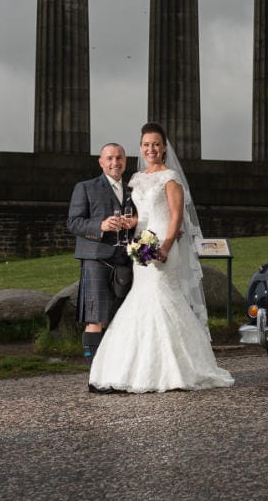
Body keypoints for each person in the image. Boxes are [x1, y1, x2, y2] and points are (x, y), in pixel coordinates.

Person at [88, 123, 234, 393]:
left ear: (164, 147)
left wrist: (165, 246)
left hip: (164, 246)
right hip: (141, 245)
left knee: (163, 296)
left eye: (155, 144)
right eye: (146, 145)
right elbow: (139, 216)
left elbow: (177, 216)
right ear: (141, 148)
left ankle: (177, 369)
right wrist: (124, 223)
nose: (150, 149)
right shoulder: (137, 178)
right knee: (141, 298)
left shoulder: (170, 177)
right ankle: (129, 368)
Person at [67, 143, 136, 366]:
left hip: (125, 260)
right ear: (101, 162)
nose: (115, 162)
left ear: (125, 161)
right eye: (110, 158)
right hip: (96, 259)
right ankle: (94, 371)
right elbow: (74, 223)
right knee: (95, 317)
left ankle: (113, 368)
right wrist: (102, 225)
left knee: (118, 317)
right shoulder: (85, 187)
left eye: (119, 158)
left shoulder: (133, 191)